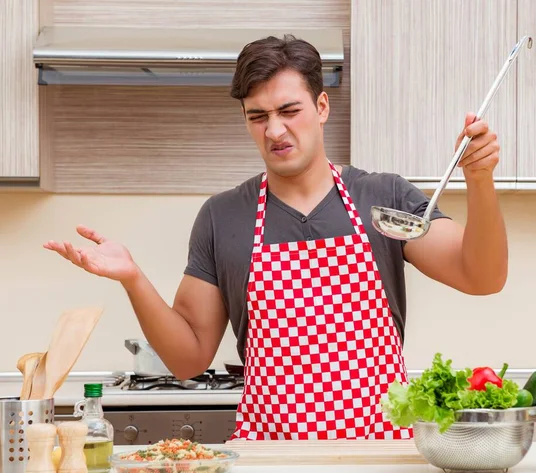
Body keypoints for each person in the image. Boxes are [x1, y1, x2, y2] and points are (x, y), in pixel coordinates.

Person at [44, 35, 507, 440]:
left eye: (289, 110)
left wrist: (480, 179)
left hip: (379, 455)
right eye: (258, 116)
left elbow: (481, 276)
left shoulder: (382, 198)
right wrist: (133, 278)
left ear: (321, 107)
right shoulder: (223, 216)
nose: (275, 130)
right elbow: (187, 360)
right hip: (269, 459)